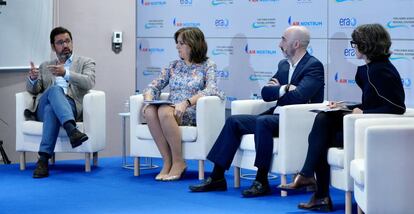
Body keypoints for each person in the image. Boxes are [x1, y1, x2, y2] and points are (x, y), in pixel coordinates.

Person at [279, 23, 406, 212]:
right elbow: (376, 101)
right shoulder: (372, 69)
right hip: (365, 126)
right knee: (324, 120)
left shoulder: (379, 71)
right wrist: (347, 107)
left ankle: (315, 187)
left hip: (373, 133)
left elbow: (396, 107)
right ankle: (315, 188)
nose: (353, 47)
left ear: (366, 44)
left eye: (355, 43)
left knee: (322, 132)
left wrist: (363, 113)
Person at [189, 25, 325, 197]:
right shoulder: (284, 65)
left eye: (283, 39)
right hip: (276, 116)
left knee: (263, 122)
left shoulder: (313, 66)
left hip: (298, 120)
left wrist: (282, 91)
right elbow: (266, 93)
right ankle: (217, 177)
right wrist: (285, 88)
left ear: (296, 44)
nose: (279, 44)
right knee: (234, 121)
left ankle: (261, 180)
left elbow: (300, 97)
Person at [142, 27, 224, 181]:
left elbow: (212, 89)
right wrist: (148, 100)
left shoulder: (208, 65)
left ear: (193, 45)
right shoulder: (173, 65)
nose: (177, 46)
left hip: (191, 111)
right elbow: (154, 85)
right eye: (177, 43)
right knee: (151, 111)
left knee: (164, 112)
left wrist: (186, 103)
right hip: (170, 109)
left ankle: (178, 162)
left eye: (181, 43)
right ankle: (167, 162)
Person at [27, 27, 96, 178]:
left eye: (67, 41)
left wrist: (66, 73)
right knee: (54, 90)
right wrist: (32, 79)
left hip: (71, 106)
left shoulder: (86, 62)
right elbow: (34, 90)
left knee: (52, 110)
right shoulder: (46, 66)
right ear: (53, 47)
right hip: (42, 108)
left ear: (72, 42)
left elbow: (89, 82)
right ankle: (72, 130)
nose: (65, 45)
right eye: (60, 42)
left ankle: (43, 160)